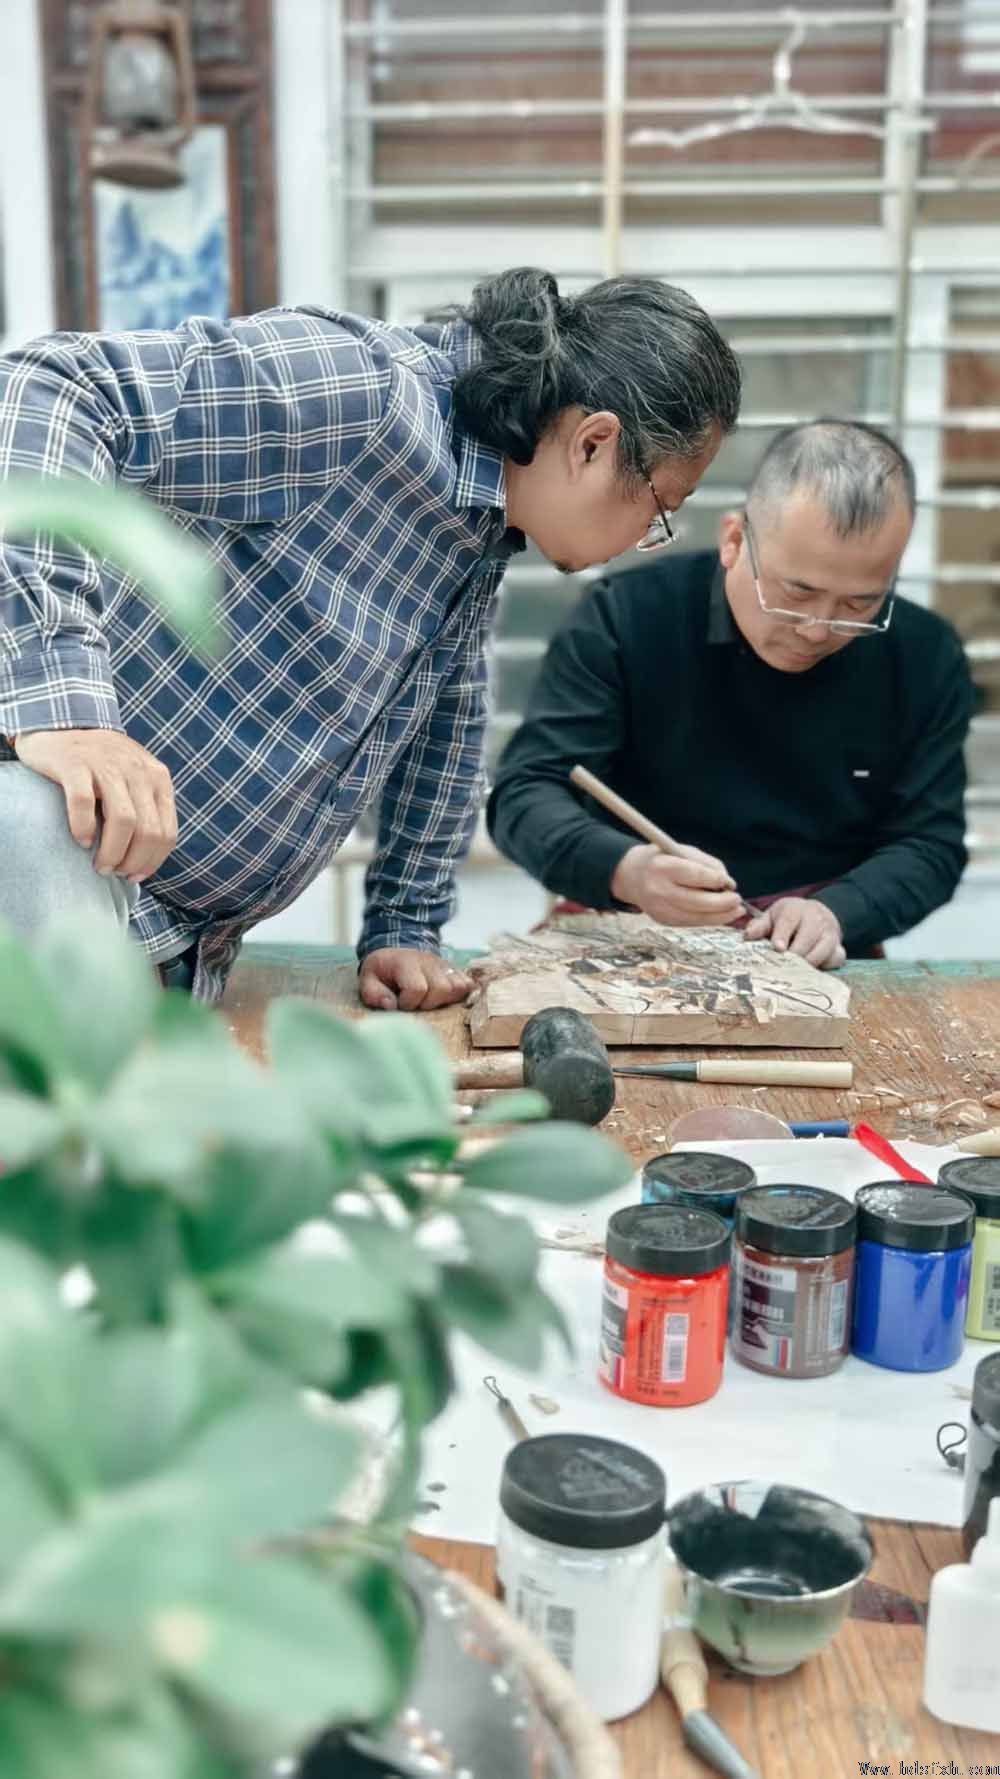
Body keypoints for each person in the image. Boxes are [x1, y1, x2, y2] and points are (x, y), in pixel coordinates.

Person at [0, 268, 741, 1006]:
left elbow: (444, 719)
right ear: (593, 443)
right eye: (660, 508)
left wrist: (405, 922)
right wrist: (63, 705)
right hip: (50, 887)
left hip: (170, 955)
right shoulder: (362, 392)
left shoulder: (484, 522)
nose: (652, 533)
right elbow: (52, 389)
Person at [489, 420, 975, 968]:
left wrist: (839, 911)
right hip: (628, 927)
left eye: (859, 604)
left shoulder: (923, 656)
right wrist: (628, 870)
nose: (818, 629)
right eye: (798, 591)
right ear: (734, 540)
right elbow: (525, 796)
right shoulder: (629, 619)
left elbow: (930, 844)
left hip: (814, 948)